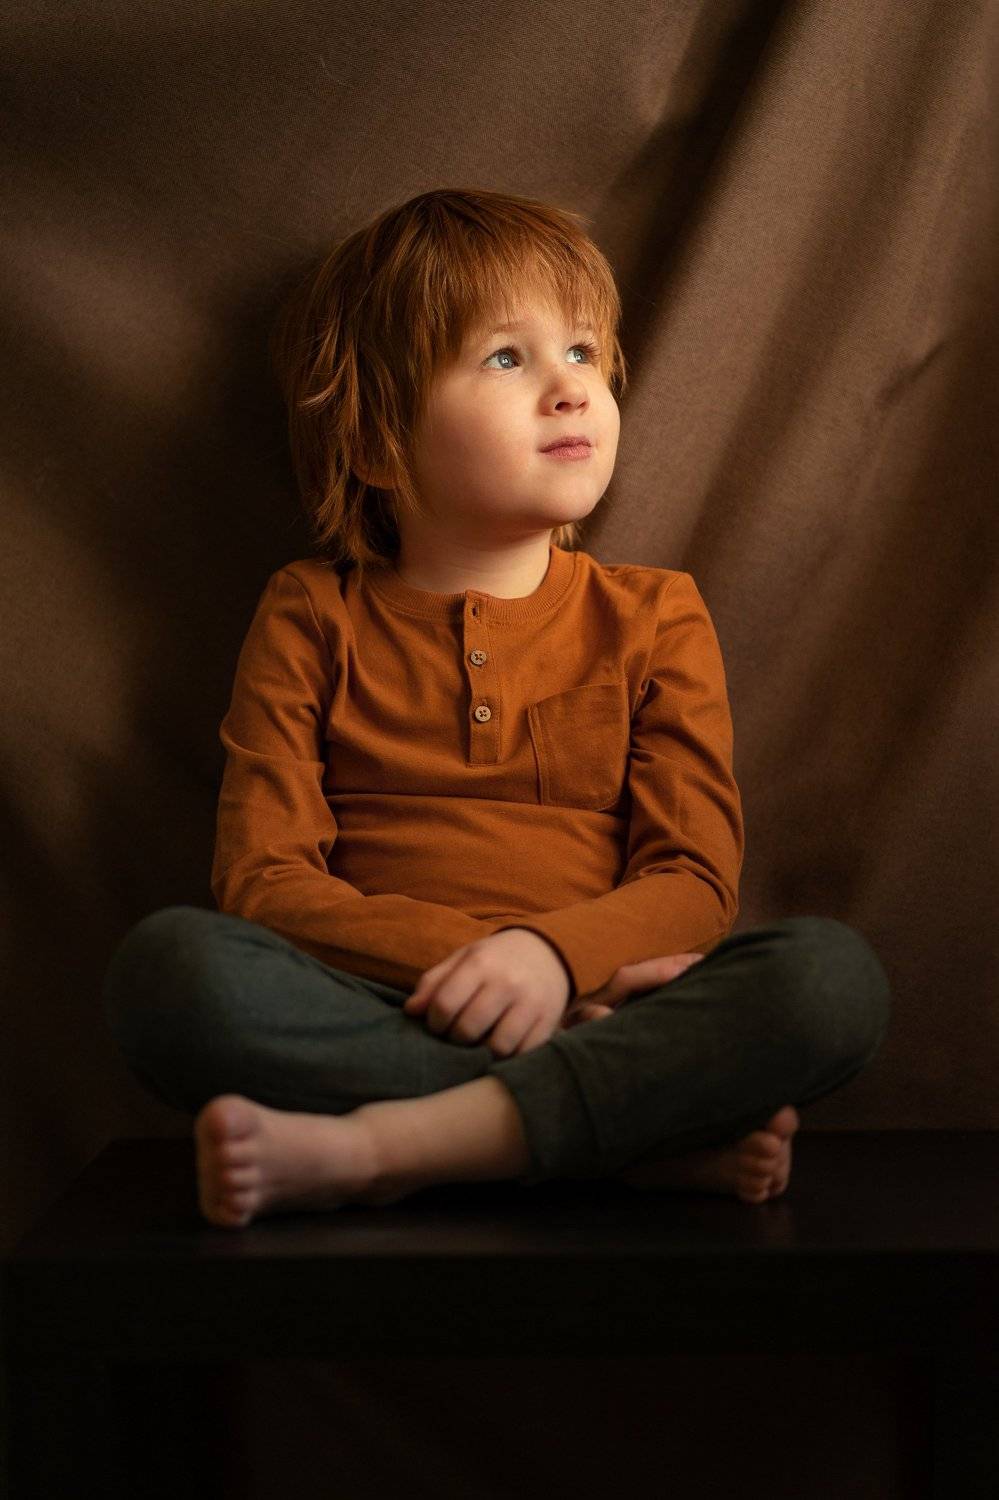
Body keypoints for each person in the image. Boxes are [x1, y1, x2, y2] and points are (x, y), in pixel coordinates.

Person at [101, 188, 892, 1229]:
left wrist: (553, 960)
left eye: (583, 352)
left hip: (598, 990)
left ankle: (386, 1147)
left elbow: (694, 880)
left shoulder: (656, 614)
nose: (570, 390)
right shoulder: (311, 611)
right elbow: (263, 880)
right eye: (507, 358)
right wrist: (488, 970)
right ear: (379, 442)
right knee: (169, 974)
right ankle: (625, 1136)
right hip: (399, 998)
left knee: (829, 983)